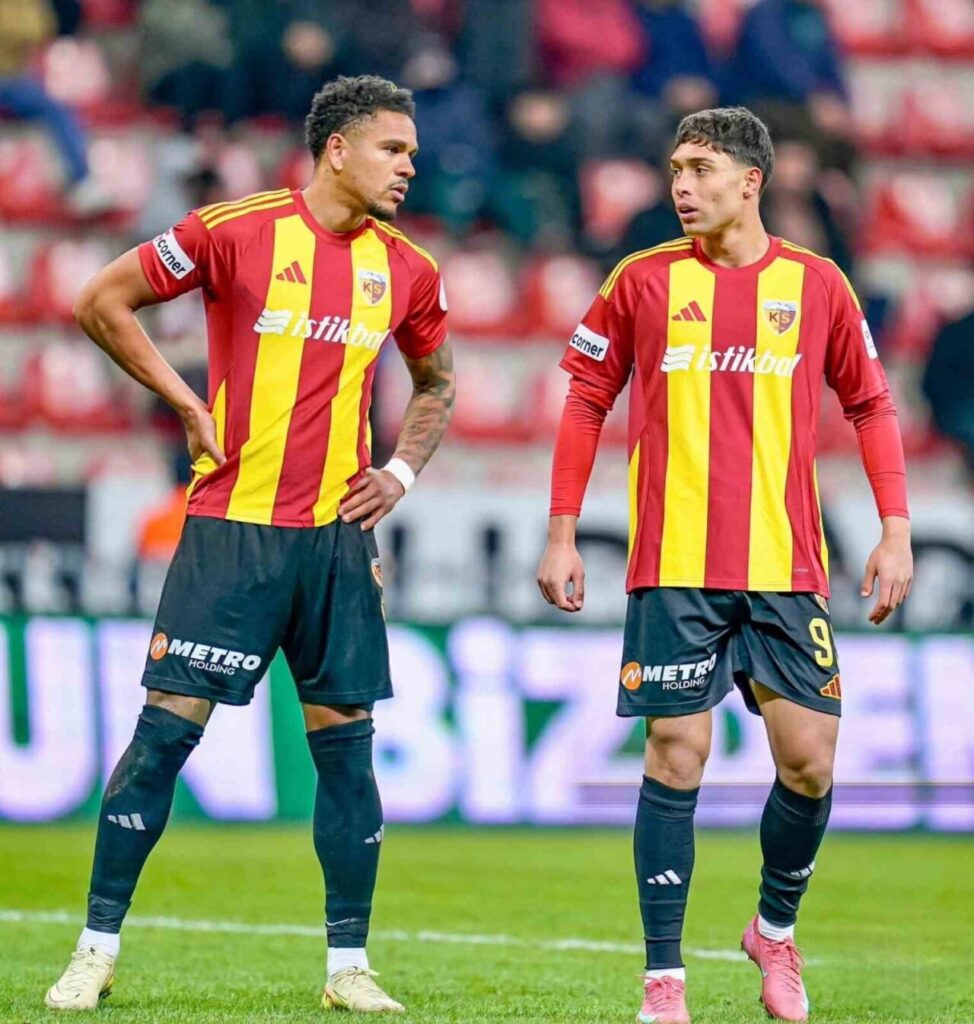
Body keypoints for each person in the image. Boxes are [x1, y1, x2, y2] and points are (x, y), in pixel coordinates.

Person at [44, 74, 455, 1013]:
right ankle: (94, 949)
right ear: (337, 149)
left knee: (347, 751)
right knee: (162, 738)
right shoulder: (235, 230)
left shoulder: (410, 268)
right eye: (393, 150)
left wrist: (400, 472)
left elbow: (438, 383)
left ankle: (348, 967)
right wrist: (186, 403)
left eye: (413, 154)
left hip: (338, 541)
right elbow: (101, 300)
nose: (409, 168)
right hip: (232, 529)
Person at [537, 107, 912, 1023]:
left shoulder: (817, 284)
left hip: (786, 564)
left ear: (752, 181)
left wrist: (895, 529)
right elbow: (586, 400)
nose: (681, 185)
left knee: (810, 763)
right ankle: (663, 982)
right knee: (677, 754)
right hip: (673, 563)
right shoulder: (641, 279)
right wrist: (562, 531)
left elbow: (870, 404)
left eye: (700, 169)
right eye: (675, 168)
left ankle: (773, 931)